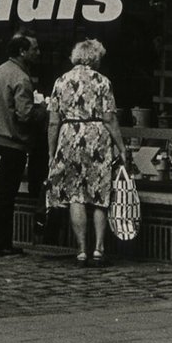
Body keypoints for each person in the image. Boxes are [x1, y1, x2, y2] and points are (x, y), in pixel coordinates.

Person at [45, 38, 131, 267]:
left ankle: (82, 249)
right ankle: (99, 248)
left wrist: (52, 151)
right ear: (95, 58)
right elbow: (110, 118)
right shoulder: (103, 82)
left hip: (69, 137)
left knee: (75, 195)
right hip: (97, 138)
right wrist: (122, 148)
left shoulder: (61, 81)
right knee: (100, 194)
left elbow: (53, 122)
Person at [0, 30, 45, 256]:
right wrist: (44, 109)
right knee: (6, 195)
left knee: (3, 194)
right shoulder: (21, 78)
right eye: (34, 49)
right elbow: (26, 115)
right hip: (13, 141)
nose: (38, 53)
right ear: (22, 51)